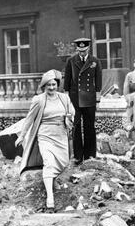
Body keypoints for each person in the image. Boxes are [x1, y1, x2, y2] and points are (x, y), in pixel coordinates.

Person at [15, 70, 75, 213]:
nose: (52, 88)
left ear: (58, 85)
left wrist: (69, 117)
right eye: (48, 85)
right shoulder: (39, 99)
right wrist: (22, 136)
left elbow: (72, 112)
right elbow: (30, 118)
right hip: (45, 135)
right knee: (48, 163)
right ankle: (50, 200)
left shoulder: (64, 98)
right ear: (44, 86)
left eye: (54, 84)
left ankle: (53, 181)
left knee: (63, 162)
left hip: (60, 135)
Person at [64, 37, 102, 165]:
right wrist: (66, 99)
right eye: (80, 51)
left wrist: (97, 98)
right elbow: (67, 81)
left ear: (88, 48)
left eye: (84, 50)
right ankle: (78, 156)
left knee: (89, 127)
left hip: (89, 98)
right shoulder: (71, 61)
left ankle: (90, 155)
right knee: (76, 127)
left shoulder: (95, 61)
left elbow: (98, 80)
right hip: (75, 98)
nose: (82, 53)